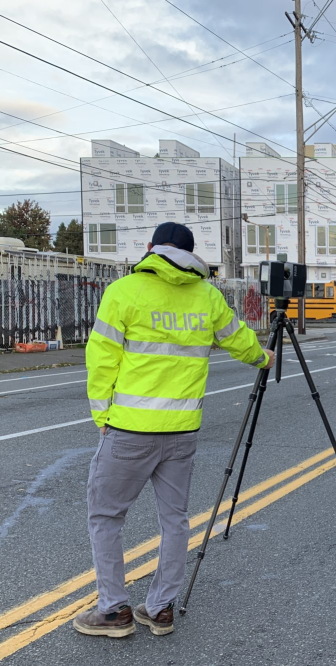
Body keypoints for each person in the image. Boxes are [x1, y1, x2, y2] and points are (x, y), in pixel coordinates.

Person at [73, 222, 275, 639]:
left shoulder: (124, 291)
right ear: (191, 254)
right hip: (183, 431)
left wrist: (102, 419)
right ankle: (160, 608)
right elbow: (239, 341)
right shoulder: (207, 295)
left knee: (107, 516)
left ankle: (113, 611)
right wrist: (264, 358)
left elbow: (101, 361)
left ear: (150, 248)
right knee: (175, 519)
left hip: (129, 429)